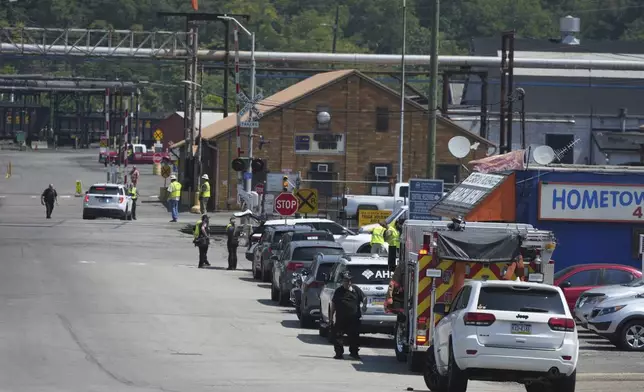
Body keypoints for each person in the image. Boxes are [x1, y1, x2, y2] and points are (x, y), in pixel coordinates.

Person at [331, 271, 367, 360]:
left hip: (354, 318)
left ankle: (354, 353)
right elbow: (333, 304)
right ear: (342, 281)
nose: (348, 283)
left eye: (350, 281)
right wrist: (331, 317)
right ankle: (339, 353)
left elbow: (365, 298)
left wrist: (364, 307)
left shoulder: (356, 290)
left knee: (354, 337)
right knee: (338, 337)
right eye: (346, 281)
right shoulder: (338, 291)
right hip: (341, 319)